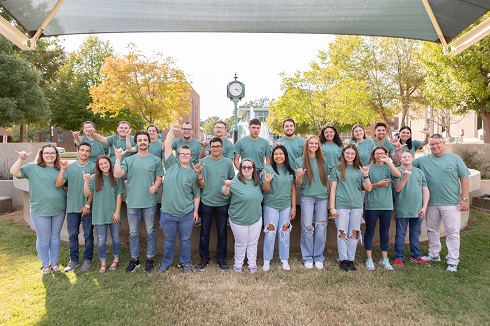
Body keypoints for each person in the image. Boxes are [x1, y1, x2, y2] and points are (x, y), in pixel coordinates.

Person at [413, 134, 470, 272]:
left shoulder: (454, 159)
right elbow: (405, 164)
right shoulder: (423, 160)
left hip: (451, 203)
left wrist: (465, 199)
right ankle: (434, 254)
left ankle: (452, 261)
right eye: (432, 144)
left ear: (443, 143)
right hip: (431, 203)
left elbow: (464, 178)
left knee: (452, 232)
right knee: (432, 230)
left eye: (437, 143)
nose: (435, 146)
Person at [10, 145, 67, 274]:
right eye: (46, 153)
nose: (49, 155)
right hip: (39, 208)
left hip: (58, 208)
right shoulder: (32, 167)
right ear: (41, 154)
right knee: (43, 237)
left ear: (56, 155)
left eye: (52, 153)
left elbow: (65, 184)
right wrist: (21, 159)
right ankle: (45, 264)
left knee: (55, 236)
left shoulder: (61, 168)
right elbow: (14, 172)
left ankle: (54, 263)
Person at [114, 131, 164, 273]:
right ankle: (134, 259)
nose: (142, 142)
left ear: (149, 142)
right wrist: (118, 158)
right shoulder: (129, 160)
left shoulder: (155, 160)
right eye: (140, 140)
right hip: (132, 203)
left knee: (150, 231)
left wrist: (156, 186)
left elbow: (159, 177)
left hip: (149, 203)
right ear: (136, 143)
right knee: (133, 233)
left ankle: (149, 259)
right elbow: (117, 174)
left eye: (145, 140)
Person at [159, 124, 201, 273]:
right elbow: (168, 145)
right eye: (182, 153)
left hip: (186, 213)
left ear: (191, 156)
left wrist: (195, 211)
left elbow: (196, 194)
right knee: (169, 241)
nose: (184, 155)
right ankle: (165, 263)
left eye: (187, 154)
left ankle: (186, 263)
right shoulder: (171, 164)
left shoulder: (193, 173)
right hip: (168, 212)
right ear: (179, 154)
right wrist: (171, 130)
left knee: (185, 241)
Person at [330, 144, 372, 272]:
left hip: (357, 207)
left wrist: (365, 175)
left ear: (355, 155)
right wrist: (332, 207)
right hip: (342, 206)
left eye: (352, 154)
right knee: (342, 233)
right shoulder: (336, 169)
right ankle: (343, 260)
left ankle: (350, 259)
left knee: (354, 233)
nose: (349, 155)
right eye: (347, 153)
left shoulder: (359, 170)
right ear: (343, 154)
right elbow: (333, 189)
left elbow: (369, 188)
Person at [195, 137, 235, 271]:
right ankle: (204, 259)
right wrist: (199, 175)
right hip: (206, 201)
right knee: (204, 232)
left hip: (223, 203)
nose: (215, 148)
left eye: (218, 146)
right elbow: (200, 184)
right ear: (209, 148)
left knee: (222, 233)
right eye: (213, 146)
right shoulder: (203, 162)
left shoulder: (228, 163)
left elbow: (230, 181)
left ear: (222, 147)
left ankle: (221, 259)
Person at [55, 142, 96, 272]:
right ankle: (73, 260)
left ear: (90, 153)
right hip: (72, 207)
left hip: (88, 208)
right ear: (77, 151)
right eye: (82, 150)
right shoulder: (70, 168)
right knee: (73, 235)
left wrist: (87, 205)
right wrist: (63, 169)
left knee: (88, 235)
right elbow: (59, 183)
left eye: (87, 151)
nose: (84, 153)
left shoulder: (94, 167)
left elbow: (95, 189)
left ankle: (87, 260)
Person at [84, 155, 126, 274]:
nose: (104, 166)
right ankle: (103, 262)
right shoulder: (94, 179)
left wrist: (117, 212)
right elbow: (87, 192)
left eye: (105, 163)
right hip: (99, 214)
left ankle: (115, 260)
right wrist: (86, 181)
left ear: (109, 163)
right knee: (101, 240)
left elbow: (119, 195)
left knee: (116, 238)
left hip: (114, 213)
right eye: (101, 164)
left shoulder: (116, 177)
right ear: (98, 166)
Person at [222, 158, 263, 274]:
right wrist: (226, 186)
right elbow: (225, 193)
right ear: (240, 169)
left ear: (253, 169)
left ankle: (252, 264)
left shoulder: (257, 183)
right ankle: (238, 264)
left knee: (253, 243)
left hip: (255, 218)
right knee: (240, 243)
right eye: (243, 167)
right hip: (238, 219)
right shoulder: (234, 182)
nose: (246, 169)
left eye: (249, 167)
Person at [294, 135, 329, 270]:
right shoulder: (299, 161)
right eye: (311, 143)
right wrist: (300, 176)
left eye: (316, 143)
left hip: (322, 198)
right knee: (307, 228)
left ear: (318, 145)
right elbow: (298, 184)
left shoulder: (323, 161)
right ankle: (307, 257)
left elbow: (327, 180)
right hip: (307, 197)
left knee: (321, 227)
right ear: (307, 145)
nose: (313, 145)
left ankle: (318, 257)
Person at [363, 146, 401, 271]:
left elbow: (398, 174)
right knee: (369, 232)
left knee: (384, 233)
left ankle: (384, 259)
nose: (379, 155)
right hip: (372, 205)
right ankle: (369, 259)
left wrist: (389, 162)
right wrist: (378, 184)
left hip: (387, 205)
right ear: (373, 155)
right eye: (377, 153)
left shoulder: (388, 167)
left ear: (385, 154)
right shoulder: (369, 168)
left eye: (382, 153)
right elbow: (365, 187)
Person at [393, 150, 430, 267]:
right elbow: (397, 189)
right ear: (400, 159)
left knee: (415, 234)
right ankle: (398, 257)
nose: (407, 158)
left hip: (417, 209)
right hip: (402, 209)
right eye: (404, 157)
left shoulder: (419, 172)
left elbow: (425, 189)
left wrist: (424, 207)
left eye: (409, 156)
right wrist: (405, 177)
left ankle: (415, 256)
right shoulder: (397, 172)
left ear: (412, 157)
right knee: (400, 234)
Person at [262, 145, 296, 271]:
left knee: (284, 232)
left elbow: (293, 190)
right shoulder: (268, 169)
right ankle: (267, 259)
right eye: (276, 154)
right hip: (271, 205)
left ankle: (284, 259)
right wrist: (267, 181)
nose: (278, 156)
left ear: (285, 155)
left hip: (286, 206)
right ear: (272, 156)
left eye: (281, 154)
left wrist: (293, 208)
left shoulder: (290, 171)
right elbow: (265, 190)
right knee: (270, 233)